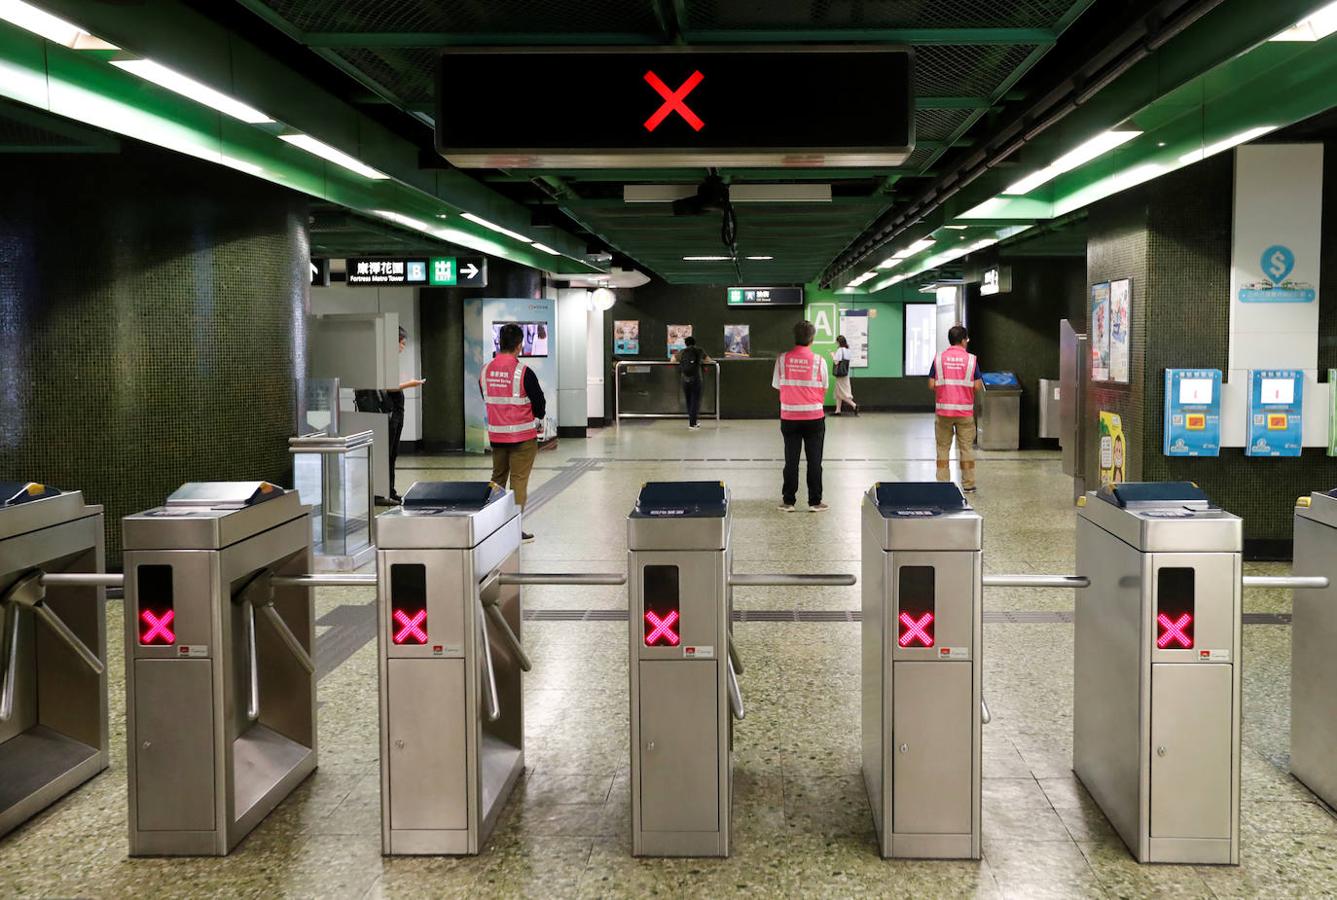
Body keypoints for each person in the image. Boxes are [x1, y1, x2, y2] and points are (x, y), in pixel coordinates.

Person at [481, 322, 546, 542]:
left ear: (500, 343)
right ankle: (513, 528)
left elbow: (487, 397)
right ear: (520, 346)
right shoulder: (523, 371)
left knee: (497, 479)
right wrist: (536, 416)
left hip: (496, 437)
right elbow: (539, 404)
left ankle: (492, 525)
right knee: (518, 481)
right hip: (522, 437)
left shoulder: (486, 370)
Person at [355, 326, 425, 505]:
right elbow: (385, 385)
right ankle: (379, 494)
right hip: (387, 413)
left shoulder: (387, 360)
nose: (403, 347)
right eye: (401, 343)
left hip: (394, 412)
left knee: (392, 454)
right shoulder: (379, 360)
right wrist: (409, 384)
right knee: (385, 454)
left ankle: (389, 490)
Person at [772, 320, 829, 512]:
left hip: (789, 417)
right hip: (814, 417)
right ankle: (815, 502)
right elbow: (824, 388)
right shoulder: (820, 361)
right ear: (812, 338)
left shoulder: (782, 360)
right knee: (815, 461)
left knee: (791, 461)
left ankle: (788, 501)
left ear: (794, 337)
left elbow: (778, 386)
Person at [928, 324, 984, 493]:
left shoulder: (938, 359)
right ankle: (968, 484)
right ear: (962, 340)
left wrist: (945, 389)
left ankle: (943, 485)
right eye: (966, 339)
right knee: (966, 448)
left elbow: (931, 384)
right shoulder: (971, 360)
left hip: (943, 412)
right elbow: (977, 386)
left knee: (942, 448)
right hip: (964, 412)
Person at [674, 336, 713, 430]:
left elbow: (672, 360)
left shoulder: (682, 351)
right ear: (694, 343)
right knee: (695, 401)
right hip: (696, 378)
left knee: (688, 400)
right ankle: (693, 423)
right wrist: (701, 362)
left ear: (685, 343)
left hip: (685, 378)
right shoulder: (699, 350)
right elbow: (709, 360)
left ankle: (692, 421)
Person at [831, 335, 858, 416]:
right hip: (845, 374)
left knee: (842, 393)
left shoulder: (840, 350)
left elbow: (836, 362)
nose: (836, 343)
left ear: (839, 342)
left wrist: (832, 355)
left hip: (840, 375)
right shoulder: (848, 350)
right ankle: (837, 410)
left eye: (837, 342)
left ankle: (854, 405)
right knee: (838, 392)